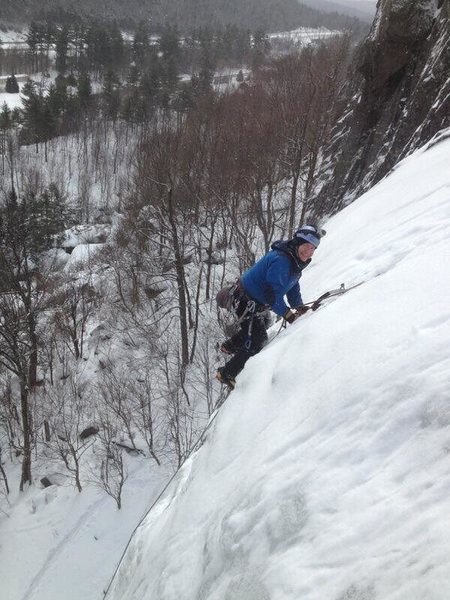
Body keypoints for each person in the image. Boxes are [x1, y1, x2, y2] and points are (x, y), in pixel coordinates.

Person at [215, 224, 324, 389]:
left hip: (254, 301)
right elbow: (272, 295)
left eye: (313, 249)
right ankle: (226, 373)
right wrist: (289, 315)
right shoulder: (282, 260)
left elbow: (292, 288)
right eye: (306, 247)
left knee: (262, 324)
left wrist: (299, 307)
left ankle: (230, 345)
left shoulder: (294, 262)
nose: (309, 252)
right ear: (297, 242)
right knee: (257, 341)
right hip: (246, 300)